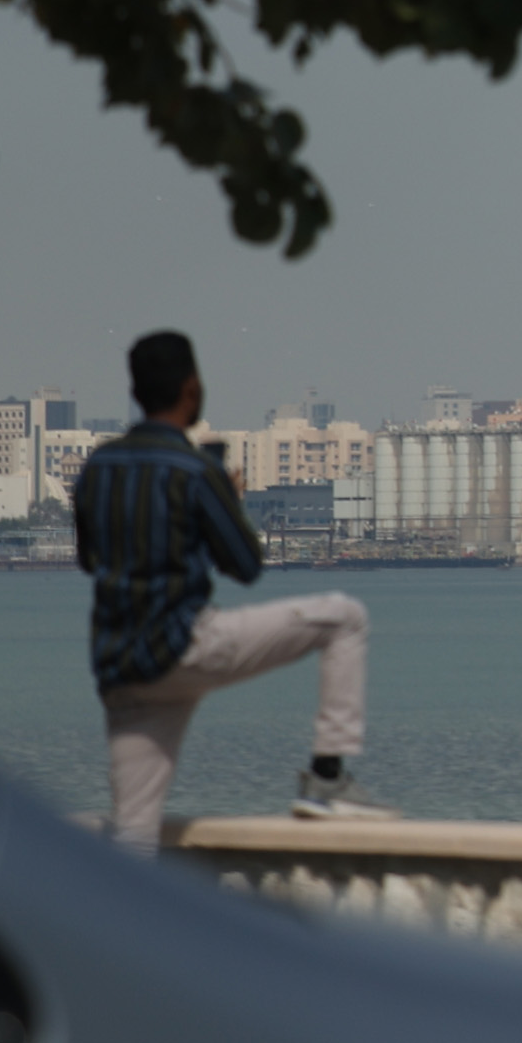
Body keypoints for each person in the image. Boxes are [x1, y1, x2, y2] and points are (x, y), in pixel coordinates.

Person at [73, 330, 394, 849]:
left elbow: (91, 561)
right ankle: (328, 776)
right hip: (184, 646)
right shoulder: (196, 470)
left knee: (133, 835)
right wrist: (228, 500)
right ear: (192, 390)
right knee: (343, 617)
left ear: (136, 392)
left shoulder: (96, 469)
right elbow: (245, 565)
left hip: (122, 667)